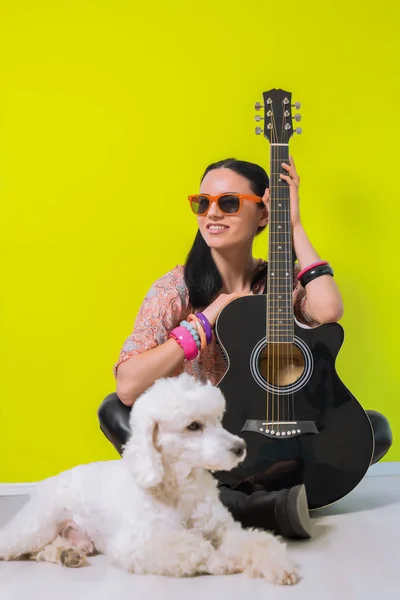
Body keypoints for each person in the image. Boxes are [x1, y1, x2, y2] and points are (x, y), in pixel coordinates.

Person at [98, 156, 393, 540]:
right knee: (114, 410)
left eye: (230, 202)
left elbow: (328, 309)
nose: (212, 213)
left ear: (263, 215)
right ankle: (256, 504)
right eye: (202, 203)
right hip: (211, 445)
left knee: (373, 428)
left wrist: (296, 225)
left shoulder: (278, 281)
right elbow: (127, 385)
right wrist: (205, 321)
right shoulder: (176, 288)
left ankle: (240, 501)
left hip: (280, 430)